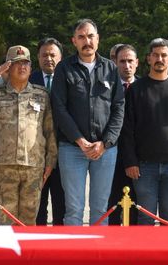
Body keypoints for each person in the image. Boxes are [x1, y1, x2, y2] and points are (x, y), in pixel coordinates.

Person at [0, 46, 56, 225]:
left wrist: (50, 161)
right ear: (7, 67)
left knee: (29, 219)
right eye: (16, 63)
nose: (22, 67)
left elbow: (49, 130)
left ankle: (26, 245)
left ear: (31, 67)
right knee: (6, 219)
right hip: (4, 165)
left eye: (26, 63)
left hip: (33, 164)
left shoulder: (41, 95)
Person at [50, 19, 125, 226]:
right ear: (74, 41)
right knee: (74, 208)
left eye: (91, 36)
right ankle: (75, 248)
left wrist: (105, 143)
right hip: (72, 148)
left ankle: (97, 248)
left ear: (98, 39)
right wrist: (80, 141)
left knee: (101, 208)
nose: (87, 41)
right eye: (81, 37)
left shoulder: (111, 69)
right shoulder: (64, 68)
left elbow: (119, 108)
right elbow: (59, 109)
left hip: (105, 150)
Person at [120, 39, 168, 225]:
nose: (159, 59)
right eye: (155, 55)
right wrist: (130, 161)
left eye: (163, 55)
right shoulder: (136, 89)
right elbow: (127, 128)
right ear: (148, 58)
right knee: (145, 218)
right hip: (144, 166)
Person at [31, 38, 66, 225]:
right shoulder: (29, 80)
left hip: (65, 151)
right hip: (35, 153)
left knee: (62, 205)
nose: (49, 59)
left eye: (53, 55)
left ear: (60, 58)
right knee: (38, 206)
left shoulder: (70, 79)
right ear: (38, 57)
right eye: (44, 55)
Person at [108, 44, 139, 223]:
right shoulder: (106, 87)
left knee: (135, 206)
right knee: (112, 204)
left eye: (130, 61)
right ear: (115, 63)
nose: (126, 66)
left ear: (137, 63)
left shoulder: (144, 87)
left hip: (138, 158)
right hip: (112, 154)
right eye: (122, 61)